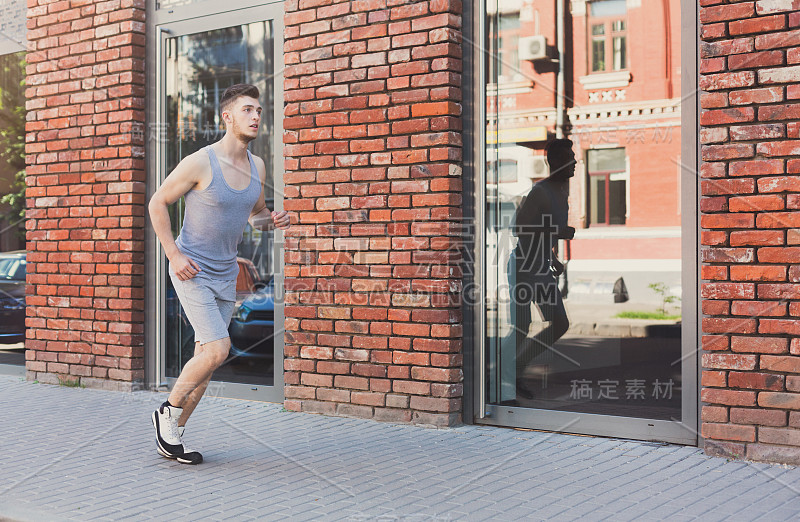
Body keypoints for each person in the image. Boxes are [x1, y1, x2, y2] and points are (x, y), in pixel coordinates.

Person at [148, 83, 291, 464]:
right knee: (218, 348)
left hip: (226, 273)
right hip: (191, 267)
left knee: (207, 360)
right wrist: (173, 254)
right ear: (227, 117)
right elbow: (157, 202)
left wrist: (271, 220)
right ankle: (167, 411)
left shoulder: (257, 165)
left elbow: (255, 215)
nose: (256, 116)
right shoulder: (201, 161)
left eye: (259, 110)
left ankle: (173, 436)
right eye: (247, 110)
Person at [508, 138, 575, 400]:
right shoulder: (540, 191)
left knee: (559, 323)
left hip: (542, 267)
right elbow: (519, 229)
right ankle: (501, 376)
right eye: (570, 157)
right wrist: (557, 232)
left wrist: (553, 257)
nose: (575, 163)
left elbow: (543, 229)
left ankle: (515, 369)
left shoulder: (563, 191)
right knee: (521, 328)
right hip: (523, 267)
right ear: (556, 162)